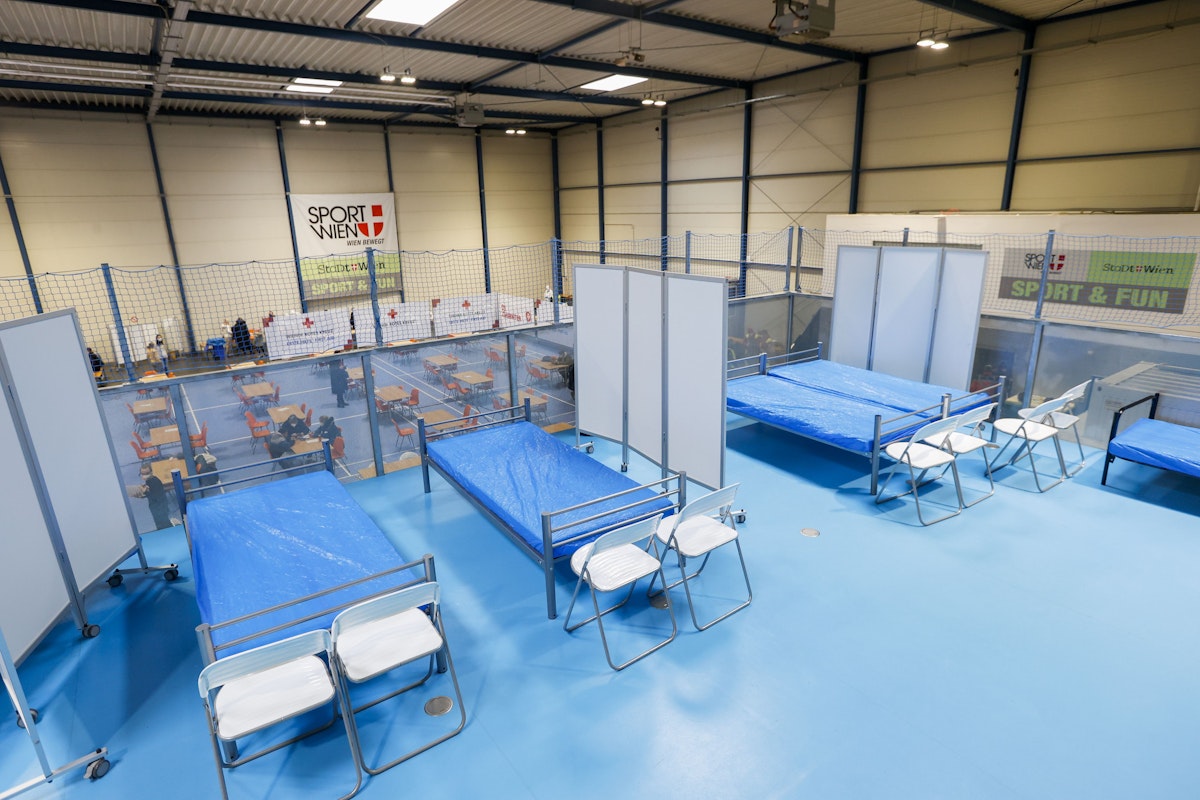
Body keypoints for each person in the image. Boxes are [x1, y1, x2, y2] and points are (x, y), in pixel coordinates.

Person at [138, 464, 172, 530]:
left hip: (159, 509)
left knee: (163, 525)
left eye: (146, 473)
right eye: (142, 474)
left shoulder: (154, 482)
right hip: (157, 507)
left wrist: (145, 492)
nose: (144, 475)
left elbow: (155, 496)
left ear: (151, 472)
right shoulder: (150, 481)